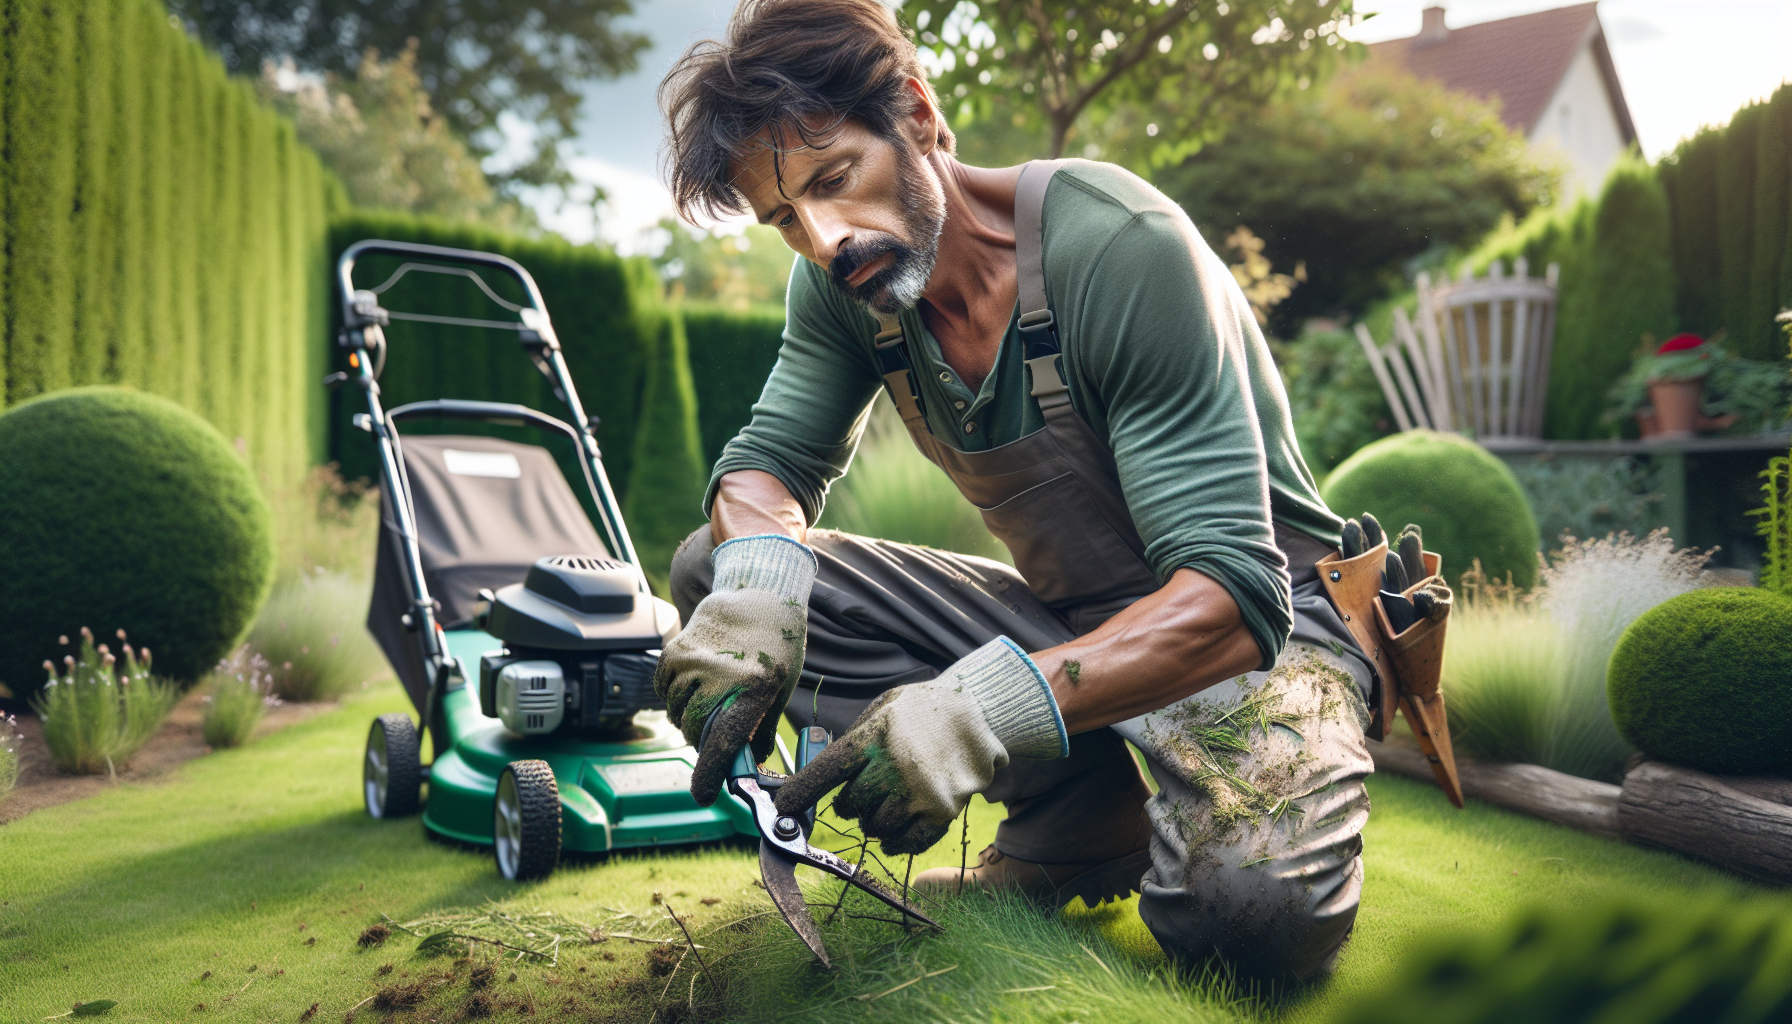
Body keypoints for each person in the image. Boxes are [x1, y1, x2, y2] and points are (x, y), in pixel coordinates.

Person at [652, 0, 1384, 984]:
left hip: (1267, 630)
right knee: (723, 564)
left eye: (835, 179)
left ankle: (1149, 801)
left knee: (1247, 920)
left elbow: (1232, 594)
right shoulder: (841, 291)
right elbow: (766, 465)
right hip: (1070, 624)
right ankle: (1082, 815)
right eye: (785, 217)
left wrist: (976, 712)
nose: (826, 238)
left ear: (917, 115)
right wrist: (753, 588)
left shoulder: (1118, 247)